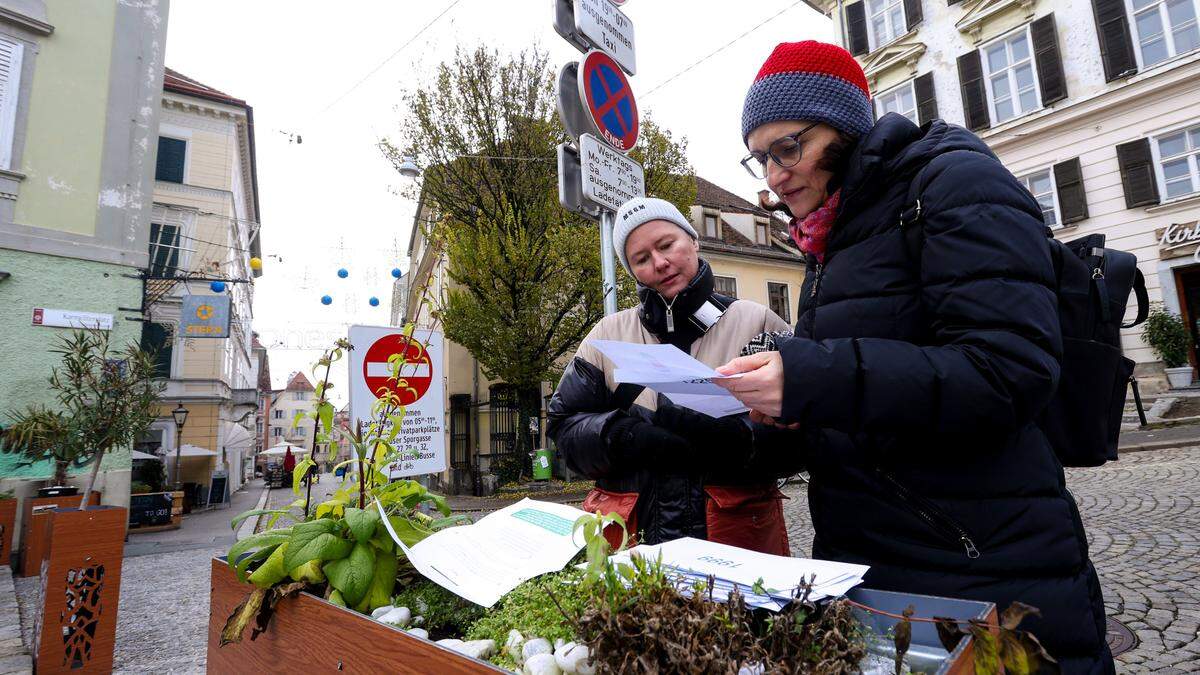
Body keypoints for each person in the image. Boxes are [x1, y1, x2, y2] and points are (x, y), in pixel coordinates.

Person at [713, 40, 1112, 673]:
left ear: (845, 127)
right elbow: (866, 399)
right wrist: (782, 417)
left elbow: (1008, 373)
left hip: (981, 561)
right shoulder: (833, 238)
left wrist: (814, 376)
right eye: (759, 158)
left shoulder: (954, 181)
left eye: (789, 148)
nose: (773, 176)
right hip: (872, 564)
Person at [546, 197, 801, 554]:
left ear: (693, 240)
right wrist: (621, 435)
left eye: (667, 245)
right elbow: (563, 429)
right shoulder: (606, 336)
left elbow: (804, 436)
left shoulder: (758, 323)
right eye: (642, 259)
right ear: (632, 271)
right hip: (633, 547)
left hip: (737, 544)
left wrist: (739, 439)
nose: (660, 263)